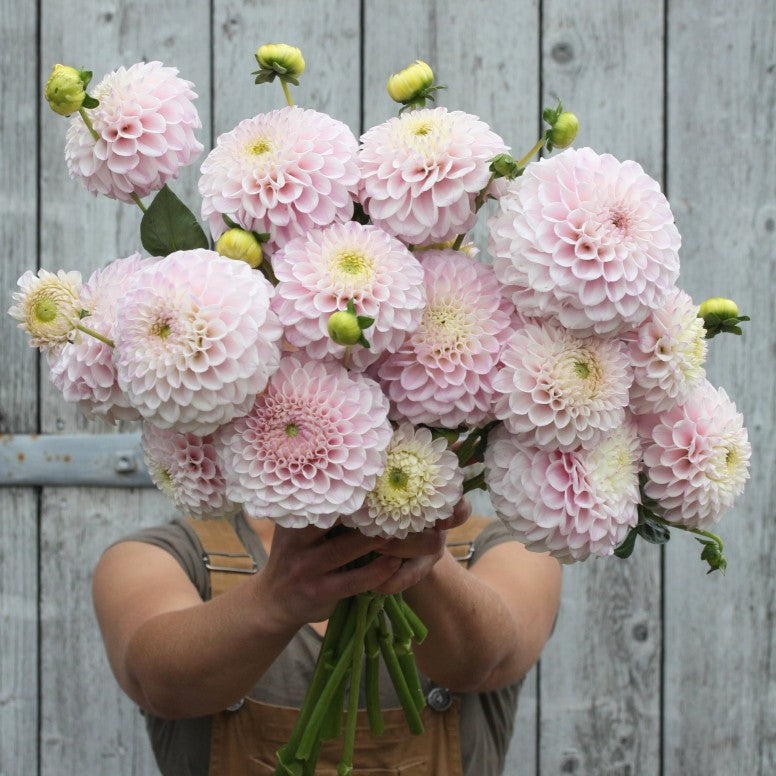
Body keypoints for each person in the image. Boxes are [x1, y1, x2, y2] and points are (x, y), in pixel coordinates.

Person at [93, 497, 561, 775]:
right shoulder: (163, 555)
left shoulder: (509, 547)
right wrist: (275, 599)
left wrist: (415, 543)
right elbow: (161, 682)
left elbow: (483, 660)